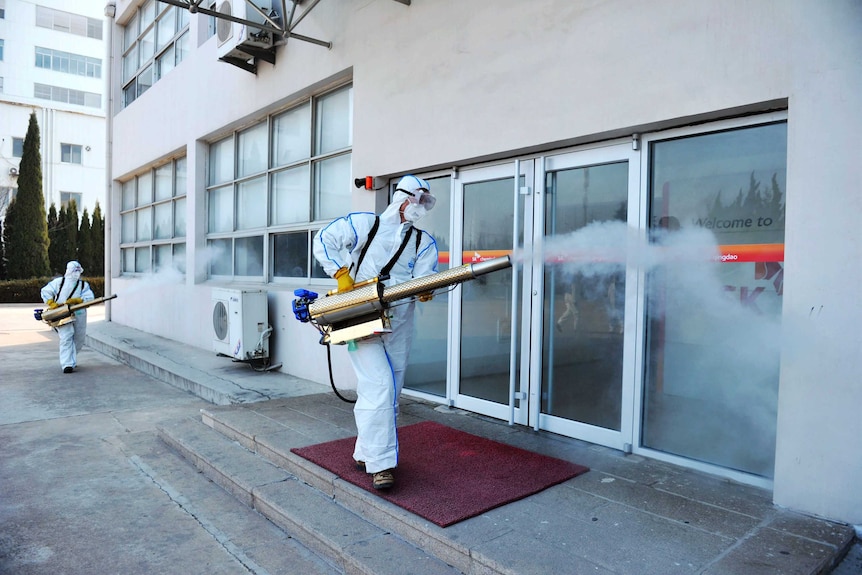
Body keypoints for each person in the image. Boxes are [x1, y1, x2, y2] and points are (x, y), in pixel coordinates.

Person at [313, 175, 439, 490]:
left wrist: (427, 289)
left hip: (400, 323)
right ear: (402, 198)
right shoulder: (364, 225)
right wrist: (340, 273)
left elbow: (427, 276)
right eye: (417, 201)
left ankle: (365, 451)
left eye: (424, 203)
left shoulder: (423, 243)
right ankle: (381, 466)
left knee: (388, 391)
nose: (420, 208)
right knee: (380, 385)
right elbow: (323, 240)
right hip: (362, 318)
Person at [41, 260, 95, 373]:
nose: (76, 273)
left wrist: (78, 300)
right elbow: (46, 291)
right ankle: (67, 364)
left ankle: (72, 360)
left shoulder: (83, 285)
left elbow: (89, 297)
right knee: (66, 337)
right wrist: (51, 303)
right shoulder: (59, 282)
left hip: (79, 314)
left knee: (79, 338)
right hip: (62, 314)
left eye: (77, 271)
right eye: (74, 271)